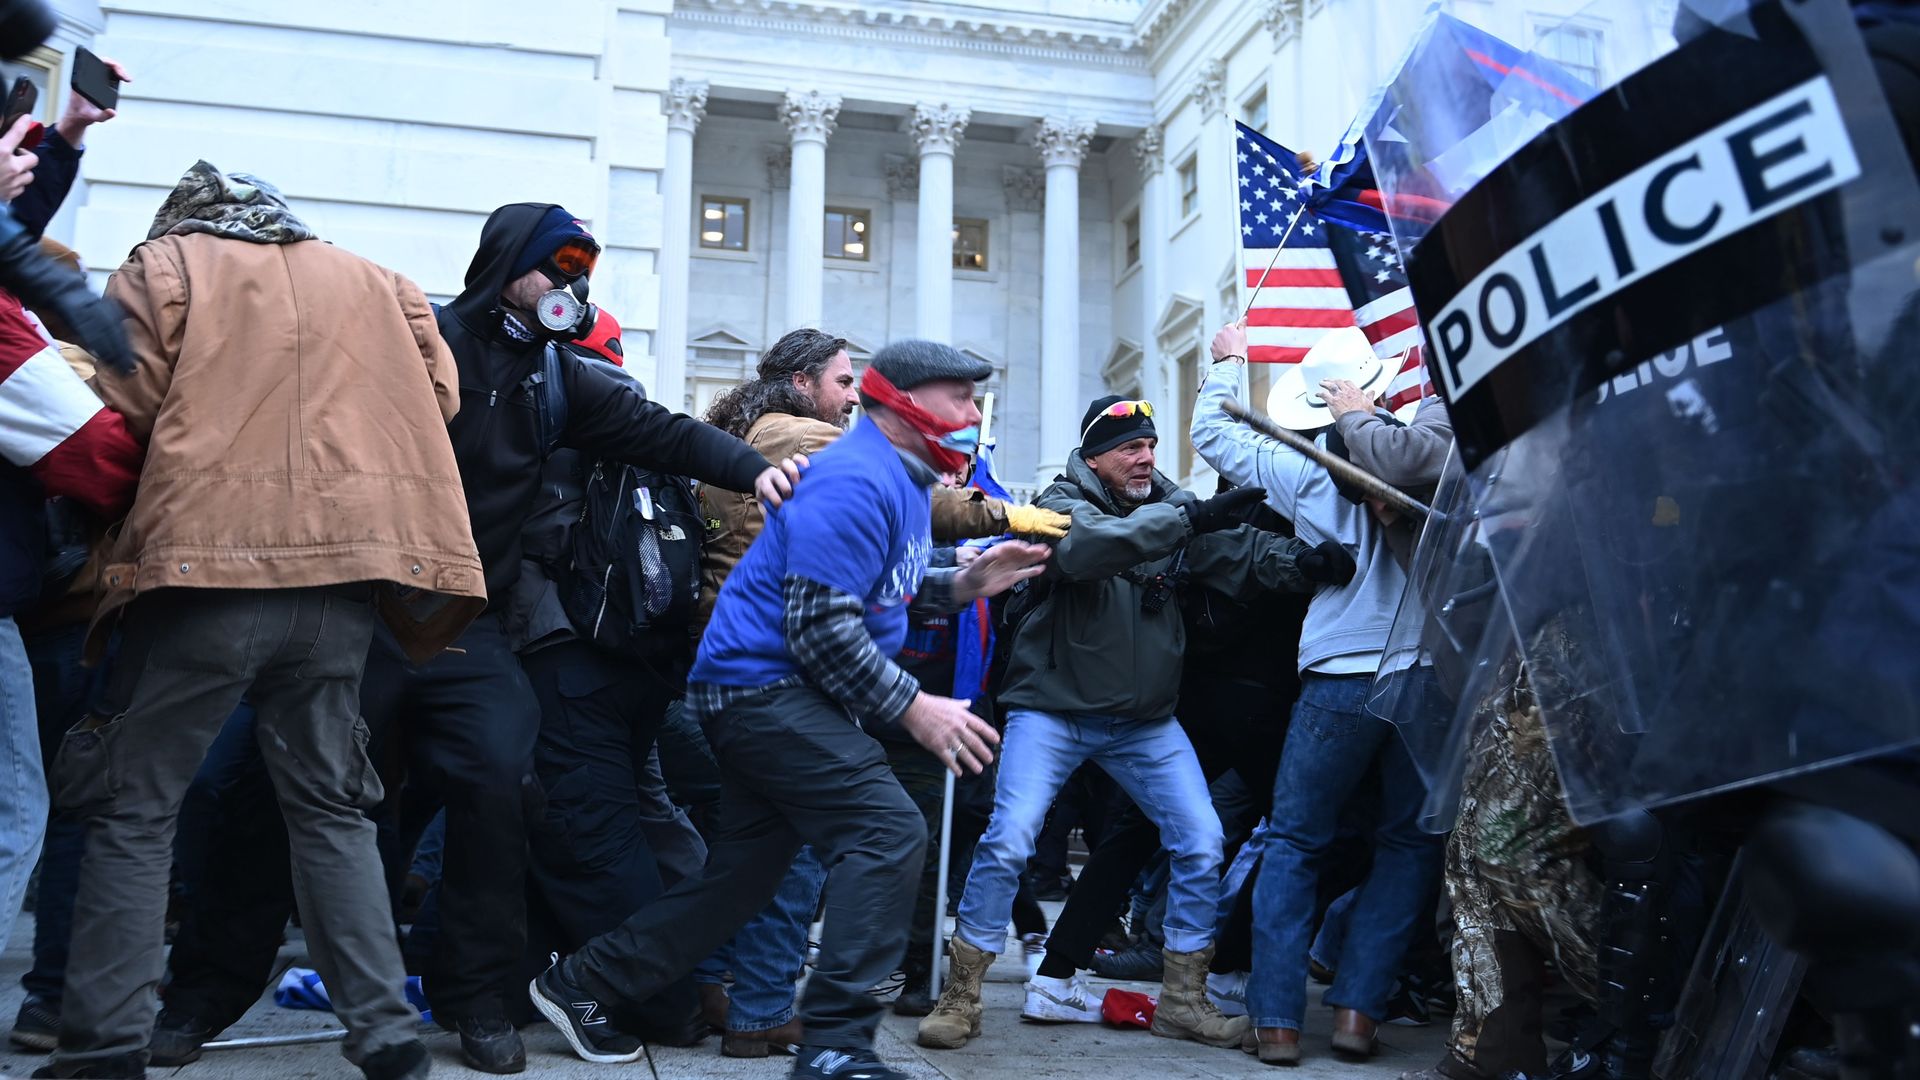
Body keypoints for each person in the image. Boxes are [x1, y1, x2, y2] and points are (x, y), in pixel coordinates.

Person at [147, 202, 795, 1075]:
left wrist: (757, 466)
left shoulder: (559, 378)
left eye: (581, 272)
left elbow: (663, 433)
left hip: (466, 627)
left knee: (498, 787)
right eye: (557, 267)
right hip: (359, 618)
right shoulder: (413, 341)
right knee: (273, 798)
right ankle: (201, 997)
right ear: (506, 266)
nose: (572, 287)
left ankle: (479, 1001)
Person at [38, 161, 486, 1080]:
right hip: (344, 585)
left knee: (133, 806)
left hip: (206, 573)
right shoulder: (380, 281)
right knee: (334, 811)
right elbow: (437, 401)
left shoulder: (165, 267)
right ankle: (384, 1031)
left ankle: (103, 1046)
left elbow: (121, 402)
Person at [531, 340, 1052, 1080]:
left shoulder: (900, 484)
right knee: (888, 829)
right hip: (763, 691)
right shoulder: (852, 478)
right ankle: (835, 1046)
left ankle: (581, 983)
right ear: (900, 401)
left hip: (776, 693)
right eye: (958, 397)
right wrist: (916, 708)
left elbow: (868, 597)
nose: (973, 414)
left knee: (738, 883)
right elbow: (819, 626)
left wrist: (959, 589)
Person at [920, 393, 1343, 1052]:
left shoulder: (1167, 509)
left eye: (1149, 446)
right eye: (1129, 448)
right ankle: (961, 994)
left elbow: (1237, 552)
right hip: (1052, 711)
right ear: (1095, 457)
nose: (1146, 456)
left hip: (1143, 722)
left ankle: (1181, 1001)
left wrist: (1305, 565)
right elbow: (1094, 549)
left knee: (1201, 840)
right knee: (1009, 840)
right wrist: (1187, 519)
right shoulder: (1057, 506)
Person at [1192, 322, 1446, 1065]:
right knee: (1406, 844)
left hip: (1338, 672)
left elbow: (1214, 432)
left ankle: (1275, 1021)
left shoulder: (1303, 470)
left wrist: (1226, 363)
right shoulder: (1423, 454)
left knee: (1298, 841)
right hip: (1422, 673)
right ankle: (1358, 1014)